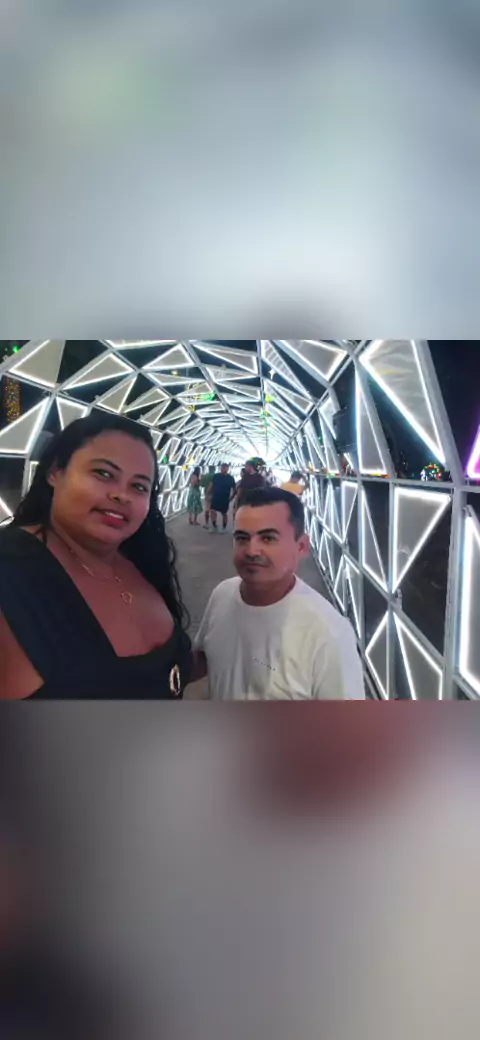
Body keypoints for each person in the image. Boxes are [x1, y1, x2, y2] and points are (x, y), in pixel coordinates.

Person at [0, 412, 192, 699]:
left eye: (139, 486)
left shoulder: (140, 559)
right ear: (55, 472)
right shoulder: (10, 571)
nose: (122, 495)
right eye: (104, 474)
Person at [192, 487, 364, 699]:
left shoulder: (329, 633)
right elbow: (205, 658)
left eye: (268, 539)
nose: (251, 551)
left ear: (301, 547)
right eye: (242, 538)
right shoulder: (222, 594)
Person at [209, 463, 236, 533]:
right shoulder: (216, 476)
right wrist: (208, 494)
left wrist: (232, 497)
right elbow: (211, 485)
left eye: (225, 468)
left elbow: (234, 488)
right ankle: (214, 526)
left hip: (225, 498)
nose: (223, 469)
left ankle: (224, 527)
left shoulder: (230, 478)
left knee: (224, 513)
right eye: (222, 467)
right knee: (212, 511)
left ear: (228, 469)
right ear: (220, 468)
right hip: (215, 496)